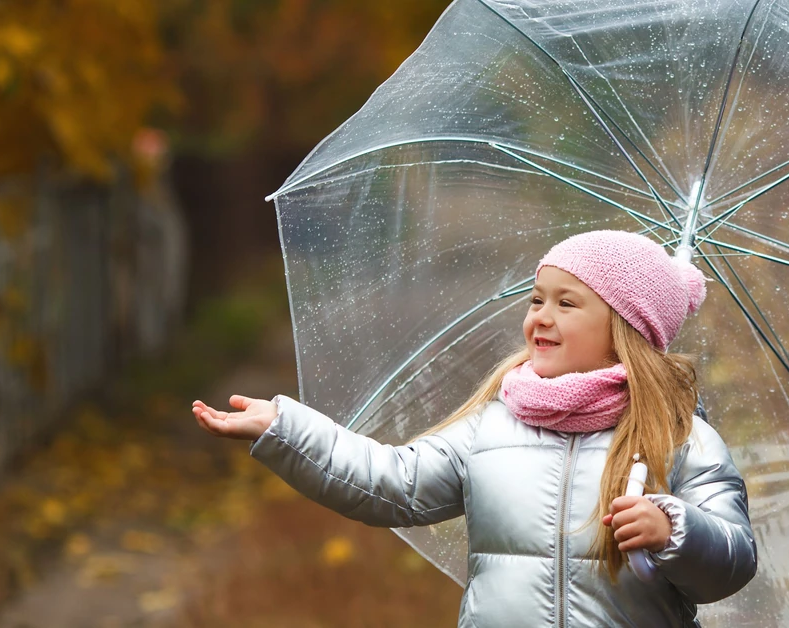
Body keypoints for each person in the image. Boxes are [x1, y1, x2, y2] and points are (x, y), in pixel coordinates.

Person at [191, 230, 757, 627]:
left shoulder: (680, 439)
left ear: (628, 328)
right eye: (537, 299)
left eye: (568, 303)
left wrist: (674, 529)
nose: (541, 316)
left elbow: (732, 560)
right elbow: (394, 481)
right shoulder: (494, 425)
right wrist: (285, 428)